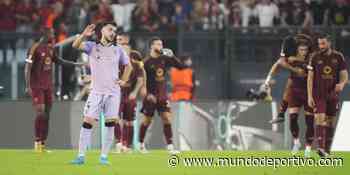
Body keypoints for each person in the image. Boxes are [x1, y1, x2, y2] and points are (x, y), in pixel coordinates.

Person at [70, 22, 132, 165]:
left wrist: (123, 80)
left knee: (110, 125)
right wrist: (84, 35)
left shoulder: (118, 49)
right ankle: (81, 156)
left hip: (113, 93)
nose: (112, 32)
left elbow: (128, 66)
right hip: (96, 92)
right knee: (87, 122)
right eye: (110, 29)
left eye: (114, 31)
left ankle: (104, 156)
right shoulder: (92, 46)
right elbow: (75, 45)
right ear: (102, 31)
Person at [24, 27, 84, 152]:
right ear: (44, 34)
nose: (53, 35)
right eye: (51, 33)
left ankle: (43, 143)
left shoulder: (51, 48)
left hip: (48, 86)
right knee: (40, 111)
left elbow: (59, 61)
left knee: (47, 114)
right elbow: (27, 68)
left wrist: (76, 64)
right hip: (36, 86)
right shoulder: (34, 47)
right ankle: (37, 140)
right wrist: (27, 85)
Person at [139, 37, 185, 154]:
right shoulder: (145, 62)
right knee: (146, 121)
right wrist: (146, 93)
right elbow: (140, 80)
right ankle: (141, 144)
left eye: (161, 44)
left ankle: (170, 147)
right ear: (152, 46)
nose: (161, 46)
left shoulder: (164, 59)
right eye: (158, 44)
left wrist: (172, 56)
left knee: (167, 118)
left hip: (162, 95)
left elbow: (181, 67)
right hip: (150, 96)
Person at [307, 34, 348, 157]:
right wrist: (309, 96)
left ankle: (327, 151)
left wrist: (342, 84)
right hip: (318, 94)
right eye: (319, 44)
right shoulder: (314, 57)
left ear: (329, 43)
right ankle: (320, 148)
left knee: (330, 121)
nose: (321, 46)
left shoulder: (338, 57)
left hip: (333, 94)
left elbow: (344, 74)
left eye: (323, 43)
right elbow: (310, 78)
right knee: (319, 118)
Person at [284, 43, 314, 157]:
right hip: (295, 93)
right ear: (297, 51)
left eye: (305, 50)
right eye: (301, 50)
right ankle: (296, 142)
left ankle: (308, 148)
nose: (303, 52)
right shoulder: (292, 59)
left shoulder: (312, 61)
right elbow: (283, 61)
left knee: (309, 121)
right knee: (292, 119)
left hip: (308, 93)